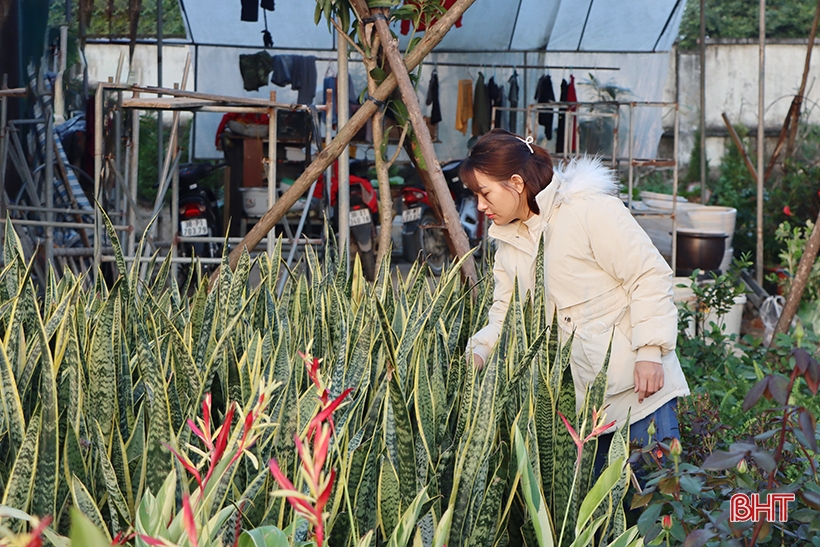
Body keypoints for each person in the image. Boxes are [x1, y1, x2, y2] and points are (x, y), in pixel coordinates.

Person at [462, 129, 690, 472]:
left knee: (651, 516)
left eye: (485, 193)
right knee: (600, 522)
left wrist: (650, 352)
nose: (480, 206)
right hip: (580, 415)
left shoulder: (588, 210)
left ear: (516, 183)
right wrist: (478, 353)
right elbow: (506, 315)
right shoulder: (508, 241)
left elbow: (648, 274)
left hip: (638, 394)